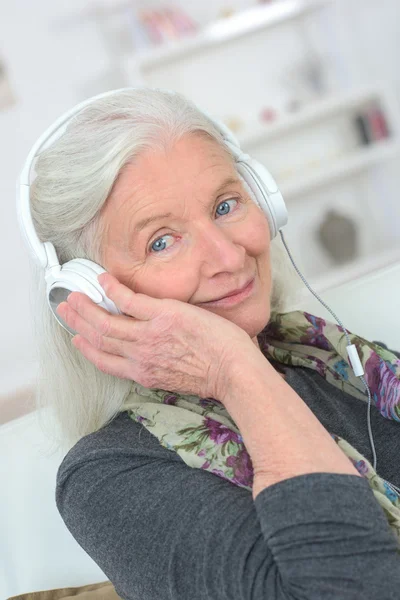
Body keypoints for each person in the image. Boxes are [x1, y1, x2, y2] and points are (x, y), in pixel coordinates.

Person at [27, 88, 400, 599]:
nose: (228, 256)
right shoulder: (109, 478)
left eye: (226, 205)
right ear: (90, 296)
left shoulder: (344, 362)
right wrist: (235, 371)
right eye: (162, 240)